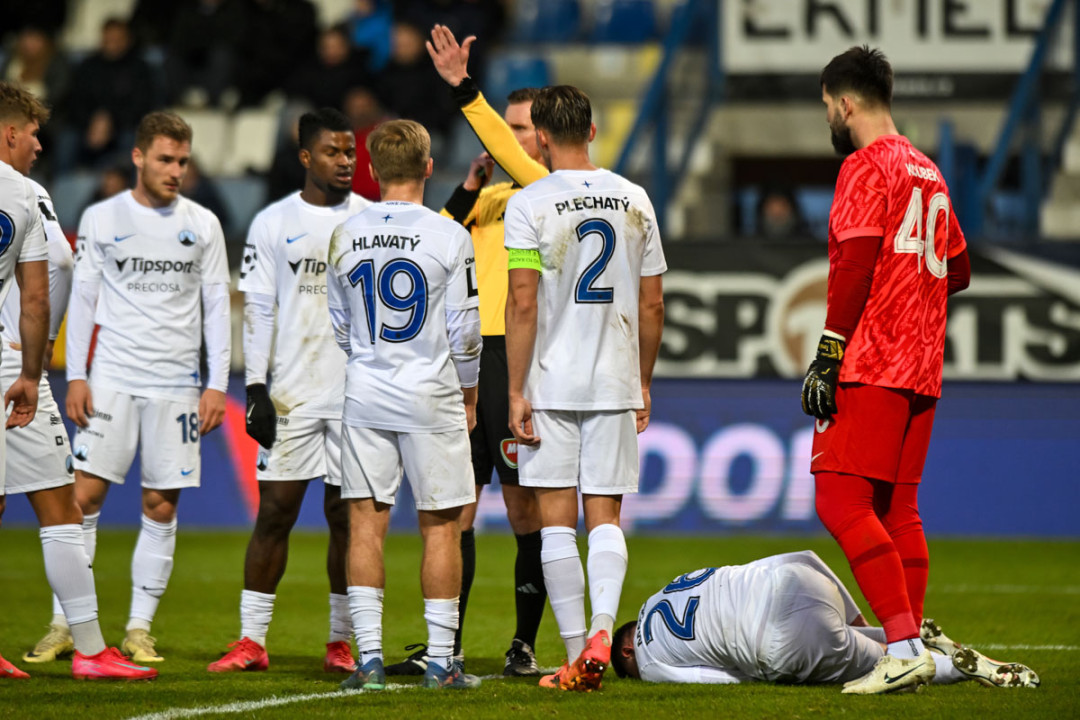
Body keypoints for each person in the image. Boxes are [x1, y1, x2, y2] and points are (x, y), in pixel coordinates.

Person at [800, 46, 972, 695]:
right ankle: (915, 641)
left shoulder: (864, 166)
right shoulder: (929, 170)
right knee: (897, 506)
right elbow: (958, 269)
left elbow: (855, 263)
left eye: (827, 105)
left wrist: (829, 351)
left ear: (845, 103)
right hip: (922, 364)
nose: (829, 117)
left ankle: (900, 645)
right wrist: (915, 298)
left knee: (839, 498)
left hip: (872, 358)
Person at [379, 29, 550, 678]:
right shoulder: (490, 198)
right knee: (458, 507)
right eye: (507, 126)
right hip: (463, 355)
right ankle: (445, 644)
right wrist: (468, 187)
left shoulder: (546, 191)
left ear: (543, 137)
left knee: (525, 506)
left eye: (519, 127)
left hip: (514, 358)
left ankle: (524, 643)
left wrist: (464, 89)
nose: (507, 137)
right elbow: (432, 241)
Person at [503, 84, 666, 691]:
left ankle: (576, 655)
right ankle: (602, 627)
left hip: (550, 383)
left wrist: (515, 390)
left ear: (542, 136)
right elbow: (653, 303)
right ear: (592, 131)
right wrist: (642, 380)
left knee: (554, 524)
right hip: (613, 380)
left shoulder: (529, 204)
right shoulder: (635, 199)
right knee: (605, 517)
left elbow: (522, 302)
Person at [52, 111, 231, 665]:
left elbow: (217, 306)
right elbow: (83, 299)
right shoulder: (103, 218)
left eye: (183, 161)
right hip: (111, 377)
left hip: (176, 382)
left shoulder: (203, 223)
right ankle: (65, 625)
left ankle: (138, 628)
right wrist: (76, 375)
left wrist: (217, 384)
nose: (175, 170)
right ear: (138, 156)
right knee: (83, 498)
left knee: (160, 503)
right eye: (165, 159)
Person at [0, 82, 156, 682]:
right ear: (9, 133)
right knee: (59, 505)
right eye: (33, 133)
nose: (40, 145)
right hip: (9, 365)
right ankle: (90, 650)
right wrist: (33, 366)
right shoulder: (23, 193)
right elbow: (50, 280)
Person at [207, 108, 369, 674]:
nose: (345, 161)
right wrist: (254, 386)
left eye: (350, 152)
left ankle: (340, 642)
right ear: (305, 157)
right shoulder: (273, 222)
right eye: (332, 152)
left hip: (355, 396)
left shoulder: (369, 219)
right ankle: (251, 641)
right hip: (293, 395)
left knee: (346, 519)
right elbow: (259, 309)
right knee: (275, 512)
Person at [329, 119, 482, 691]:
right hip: (431, 393)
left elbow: (340, 325)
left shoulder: (345, 234)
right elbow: (465, 332)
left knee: (365, 527)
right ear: (428, 167)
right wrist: (469, 392)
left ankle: (368, 660)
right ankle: (441, 663)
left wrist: (371, 362)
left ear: (371, 170)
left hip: (366, 393)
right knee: (441, 527)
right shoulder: (448, 235)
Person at [610, 551, 1040, 690]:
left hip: (783, 640)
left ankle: (959, 668)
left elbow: (716, 679)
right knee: (860, 640)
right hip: (801, 579)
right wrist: (855, 619)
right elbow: (799, 556)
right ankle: (905, 635)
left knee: (890, 668)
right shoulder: (666, 590)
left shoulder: (648, 663)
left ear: (628, 649)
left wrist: (765, 672)